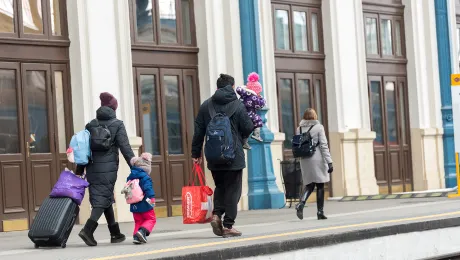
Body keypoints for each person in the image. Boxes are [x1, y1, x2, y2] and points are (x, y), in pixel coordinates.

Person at [191, 74, 254, 238]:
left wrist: (195, 153)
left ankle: (217, 214)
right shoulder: (238, 105)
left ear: (218, 87)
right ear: (232, 87)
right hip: (233, 155)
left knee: (220, 187)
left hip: (213, 155)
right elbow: (248, 127)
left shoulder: (206, 106)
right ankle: (228, 225)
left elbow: (198, 131)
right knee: (233, 190)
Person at [77, 92, 135, 246]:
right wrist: (136, 168)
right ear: (113, 108)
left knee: (105, 196)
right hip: (108, 168)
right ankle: (87, 230)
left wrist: (79, 169)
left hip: (92, 166)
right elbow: (126, 148)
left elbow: (83, 149)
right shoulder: (117, 124)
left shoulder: (90, 124)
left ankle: (115, 233)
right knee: (102, 199)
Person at [295, 108, 333, 220]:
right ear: (315, 116)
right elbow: (323, 145)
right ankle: (320, 212)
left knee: (309, 184)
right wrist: (329, 161)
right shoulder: (319, 127)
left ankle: (301, 203)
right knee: (320, 185)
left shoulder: (299, 128)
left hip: (304, 159)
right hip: (317, 158)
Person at [123, 153, 156, 244]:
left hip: (134, 204)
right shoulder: (145, 177)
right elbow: (148, 189)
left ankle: (136, 237)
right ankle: (142, 232)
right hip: (145, 202)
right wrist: (152, 199)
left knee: (138, 221)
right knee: (151, 219)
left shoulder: (130, 177)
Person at [236, 72, 266, 150]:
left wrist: (244, 87)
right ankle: (256, 135)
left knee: (246, 129)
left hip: (241, 113)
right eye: (259, 92)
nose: (260, 93)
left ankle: (245, 142)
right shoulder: (254, 97)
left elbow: (238, 89)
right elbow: (260, 105)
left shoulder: (244, 94)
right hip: (249, 113)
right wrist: (262, 99)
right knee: (258, 120)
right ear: (256, 91)